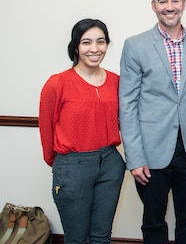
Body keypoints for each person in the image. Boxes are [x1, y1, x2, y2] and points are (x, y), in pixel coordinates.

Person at [119, 0, 186, 244]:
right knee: (154, 220)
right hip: (150, 152)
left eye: (175, 0)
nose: (170, 7)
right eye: (163, 1)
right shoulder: (135, 45)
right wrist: (134, 158)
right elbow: (127, 104)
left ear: (184, 4)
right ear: (154, 6)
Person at [39, 18, 125, 244]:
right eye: (86, 42)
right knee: (77, 239)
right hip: (72, 166)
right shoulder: (57, 83)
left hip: (110, 165)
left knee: (102, 237)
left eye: (101, 42)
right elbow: (46, 129)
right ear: (76, 46)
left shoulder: (117, 82)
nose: (95, 49)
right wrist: (61, 165)